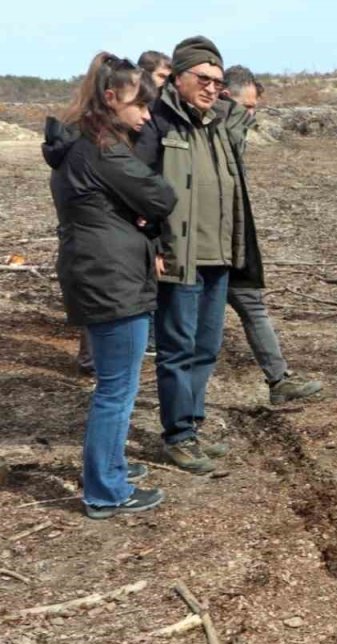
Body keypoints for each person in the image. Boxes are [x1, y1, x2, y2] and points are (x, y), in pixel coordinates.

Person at [44, 52, 176, 518]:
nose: (146, 115)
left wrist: (129, 210)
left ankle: (110, 465)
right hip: (111, 279)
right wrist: (138, 211)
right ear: (110, 97)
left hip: (98, 273)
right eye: (139, 104)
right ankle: (106, 491)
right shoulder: (104, 148)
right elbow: (161, 195)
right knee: (116, 390)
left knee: (113, 385)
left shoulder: (80, 145)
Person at [135, 36, 251, 475]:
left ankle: (192, 425)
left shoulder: (217, 124)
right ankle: (178, 436)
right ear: (178, 77)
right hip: (178, 257)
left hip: (218, 255)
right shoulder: (158, 122)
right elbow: (137, 186)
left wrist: (226, 104)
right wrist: (152, 243)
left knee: (206, 347)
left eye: (218, 82)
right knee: (177, 349)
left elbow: (241, 129)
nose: (212, 88)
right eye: (203, 79)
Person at [217, 65, 322, 404]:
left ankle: (278, 380)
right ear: (224, 97)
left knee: (253, 306)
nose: (251, 115)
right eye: (245, 107)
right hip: (207, 248)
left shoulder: (234, 131)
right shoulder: (209, 131)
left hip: (234, 242)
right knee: (198, 333)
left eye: (254, 108)